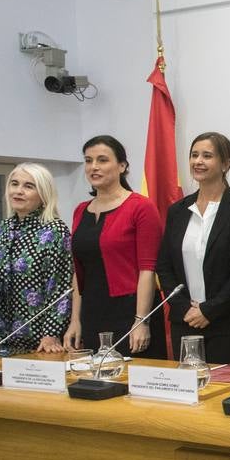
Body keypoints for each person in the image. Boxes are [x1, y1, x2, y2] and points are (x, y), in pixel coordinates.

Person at [155, 132, 230, 364]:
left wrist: (209, 310)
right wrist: (183, 309)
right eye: (194, 155)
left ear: (226, 163)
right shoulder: (177, 211)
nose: (198, 161)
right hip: (186, 322)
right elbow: (165, 265)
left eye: (207, 156)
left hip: (229, 325)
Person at [63, 135, 164, 357]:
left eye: (102, 160)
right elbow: (79, 272)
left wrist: (141, 320)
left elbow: (148, 269)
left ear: (122, 166)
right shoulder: (81, 210)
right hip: (92, 312)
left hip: (130, 312)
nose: (94, 167)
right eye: (88, 161)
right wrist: (75, 320)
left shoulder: (141, 207)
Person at [0, 163, 73, 353]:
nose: (18, 191)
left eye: (28, 186)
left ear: (44, 194)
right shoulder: (3, 229)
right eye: (14, 184)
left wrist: (51, 334)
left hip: (41, 342)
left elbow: (61, 288)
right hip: (2, 339)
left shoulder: (55, 230)